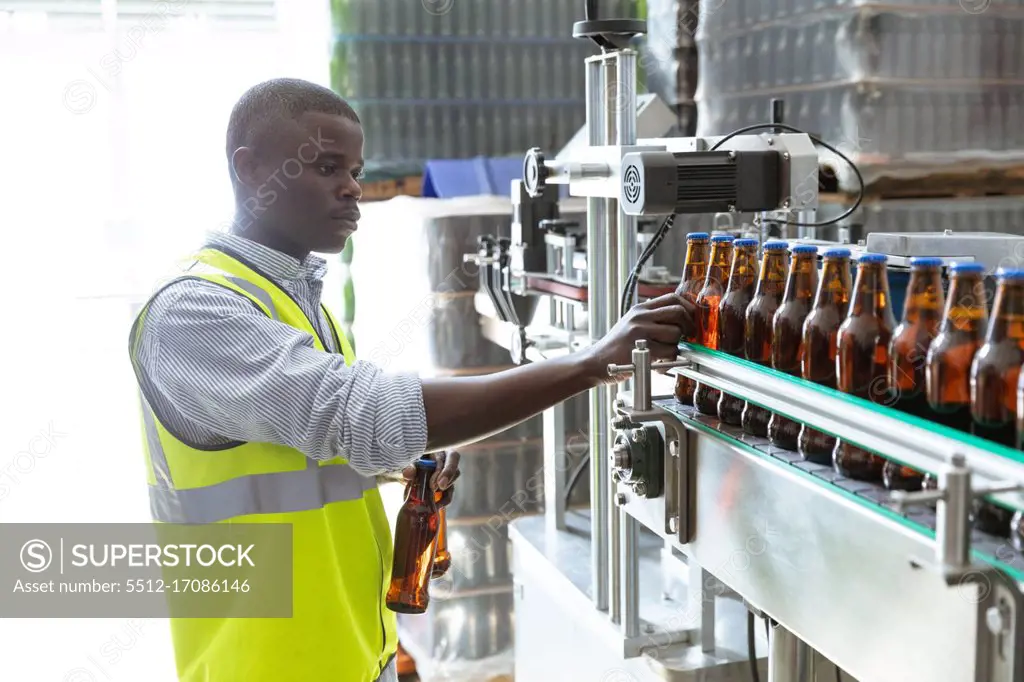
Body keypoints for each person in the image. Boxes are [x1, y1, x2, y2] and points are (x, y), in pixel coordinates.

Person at [127, 77, 695, 682]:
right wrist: (590, 363)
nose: (352, 188)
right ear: (250, 169)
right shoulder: (196, 311)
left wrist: (390, 466)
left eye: (355, 168)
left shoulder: (298, 302)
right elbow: (364, 414)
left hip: (348, 655)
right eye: (326, 168)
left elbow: (301, 450)